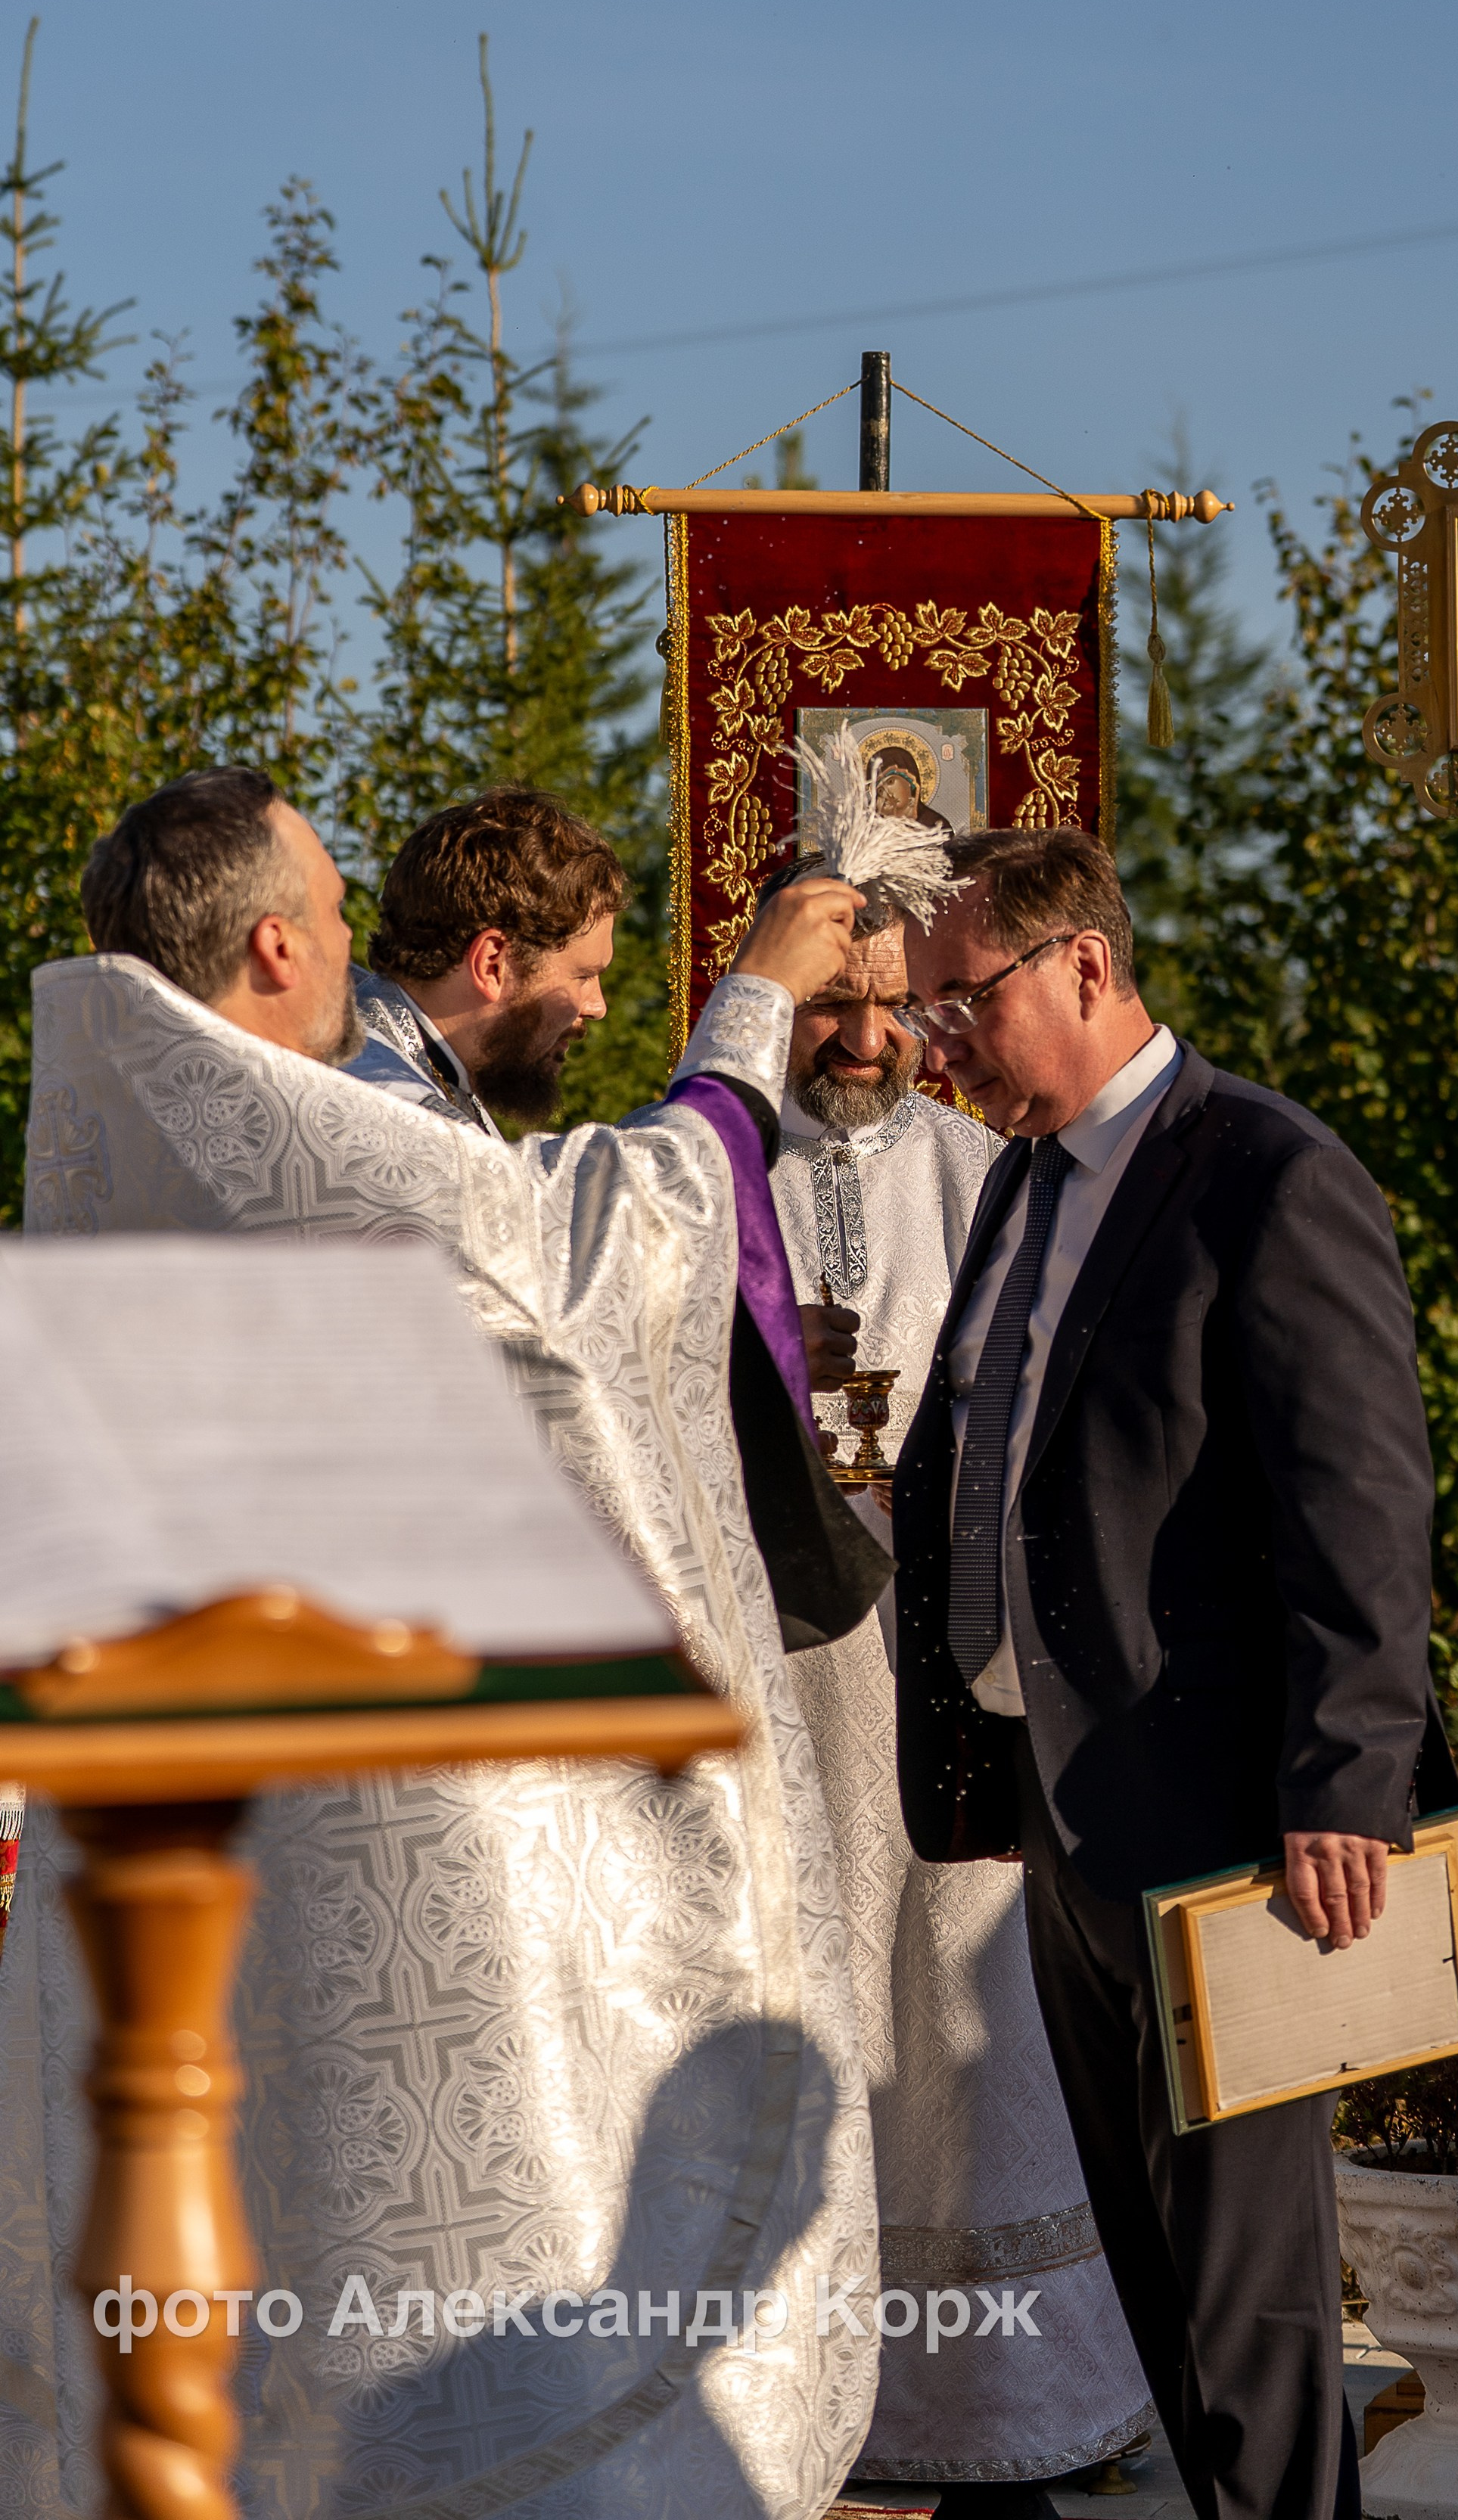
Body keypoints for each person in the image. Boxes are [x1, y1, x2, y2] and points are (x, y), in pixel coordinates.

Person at [2, 766, 889, 2520]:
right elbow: (588, 1258)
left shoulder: (144, 1151)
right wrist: (754, 1006)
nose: (357, 941)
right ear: (275, 944)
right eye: (337, 913)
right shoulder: (313, 1144)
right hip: (384, 1845)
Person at [892, 827, 1458, 2520]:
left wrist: (1344, 1781)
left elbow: (1360, 1503)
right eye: (927, 1011)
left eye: (962, 1000)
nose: (938, 1042)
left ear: (1084, 963)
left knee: (1246, 2295)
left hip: (1227, 1817)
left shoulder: (1265, 1172)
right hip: (1062, 1804)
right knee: (1153, 2271)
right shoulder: (1021, 1178)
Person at [764, 865, 1155, 2516]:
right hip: (782, 1688)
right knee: (799, 2016)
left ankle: (1019, 2401)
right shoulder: (700, 1176)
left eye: (889, 1006)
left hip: (951, 1686)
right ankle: (788, 2408)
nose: (863, 1038)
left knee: (975, 2034)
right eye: (827, 1007)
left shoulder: (992, 1174)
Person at [347, 787, 621, 1133]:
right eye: (583, 976)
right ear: (492, 964)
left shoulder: (430, 1072)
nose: (597, 1007)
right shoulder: (393, 1109)